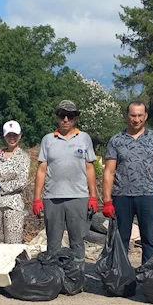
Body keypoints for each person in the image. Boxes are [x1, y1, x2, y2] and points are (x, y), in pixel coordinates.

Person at [102, 101, 153, 263]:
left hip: (147, 196)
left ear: (146, 116)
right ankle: (121, 279)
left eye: (140, 115)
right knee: (121, 240)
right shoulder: (116, 140)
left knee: (149, 239)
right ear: (126, 116)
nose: (136, 119)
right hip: (122, 196)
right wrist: (107, 200)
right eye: (133, 115)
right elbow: (109, 171)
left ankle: (147, 279)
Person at [32, 100, 98, 261]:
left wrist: (93, 196)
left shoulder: (84, 138)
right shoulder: (48, 140)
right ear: (57, 118)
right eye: (62, 116)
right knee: (53, 243)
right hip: (52, 198)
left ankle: (76, 279)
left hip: (78, 197)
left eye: (70, 116)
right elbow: (41, 170)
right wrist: (36, 199)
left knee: (77, 242)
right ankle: (54, 280)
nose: (66, 120)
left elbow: (89, 168)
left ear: (75, 118)